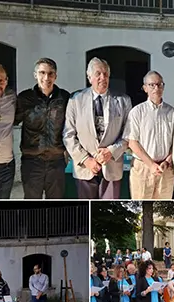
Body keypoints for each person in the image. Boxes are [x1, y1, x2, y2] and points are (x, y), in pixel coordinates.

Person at [63, 57, 132, 199]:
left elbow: (128, 134)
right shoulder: (75, 100)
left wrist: (111, 151)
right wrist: (85, 159)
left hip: (112, 166)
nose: (103, 78)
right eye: (98, 74)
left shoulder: (123, 100)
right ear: (89, 77)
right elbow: (68, 134)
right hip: (85, 167)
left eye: (106, 74)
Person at [15, 58, 70, 199]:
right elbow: (11, 121)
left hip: (56, 161)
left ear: (55, 76)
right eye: (42, 73)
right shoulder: (25, 98)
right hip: (32, 161)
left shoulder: (64, 98)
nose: (46, 77)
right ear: (35, 75)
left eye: (51, 73)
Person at [124, 71, 174, 199]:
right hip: (143, 169)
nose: (156, 88)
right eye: (152, 85)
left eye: (159, 84)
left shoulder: (173, 113)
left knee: (164, 208)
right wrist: (151, 164)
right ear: (145, 88)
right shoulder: (137, 112)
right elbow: (132, 142)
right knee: (142, 206)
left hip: (166, 169)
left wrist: (167, 161)